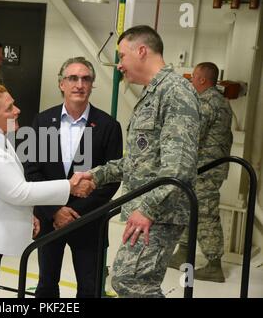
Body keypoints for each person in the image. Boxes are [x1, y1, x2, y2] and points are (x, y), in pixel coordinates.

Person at [0, 84, 94, 298]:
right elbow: (18, 191)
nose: (17, 110)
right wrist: (69, 186)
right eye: (9, 108)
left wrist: (26, 214)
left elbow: (1, 187)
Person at [79, 25, 200, 297]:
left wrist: (147, 209)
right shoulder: (153, 94)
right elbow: (138, 160)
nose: (119, 65)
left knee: (130, 281)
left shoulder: (175, 93)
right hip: (152, 209)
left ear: (141, 50)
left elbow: (178, 166)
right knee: (128, 280)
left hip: (161, 212)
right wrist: (96, 175)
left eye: (122, 56)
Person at [23, 57, 123, 298]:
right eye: (73, 78)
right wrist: (56, 210)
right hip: (50, 219)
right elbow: (32, 170)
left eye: (86, 79)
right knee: (46, 285)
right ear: (61, 84)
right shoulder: (43, 121)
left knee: (90, 288)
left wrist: (74, 213)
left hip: (89, 221)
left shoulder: (108, 126)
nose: (79, 84)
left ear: (91, 85)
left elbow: (111, 178)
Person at [168, 62, 233, 283]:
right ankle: (183, 252)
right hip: (204, 168)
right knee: (188, 207)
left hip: (206, 169)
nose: (191, 80)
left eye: (193, 76)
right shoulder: (221, 101)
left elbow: (192, 133)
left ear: (202, 80)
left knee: (205, 213)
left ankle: (214, 264)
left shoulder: (207, 102)